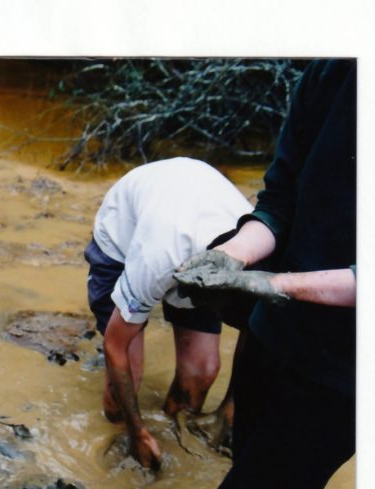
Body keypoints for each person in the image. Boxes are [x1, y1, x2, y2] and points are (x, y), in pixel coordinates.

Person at [174, 60, 356, 489]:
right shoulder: (330, 73)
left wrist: (269, 283)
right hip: (273, 338)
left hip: (348, 374)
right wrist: (228, 258)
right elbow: (279, 203)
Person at [85, 158, 251, 470]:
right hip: (124, 238)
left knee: (202, 373)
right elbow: (115, 346)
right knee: (119, 395)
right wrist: (136, 432)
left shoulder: (258, 254)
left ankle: (174, 433)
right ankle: (133, 443)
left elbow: (255, 328)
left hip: (200, 231)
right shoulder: (156, 261)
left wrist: (231, 407)